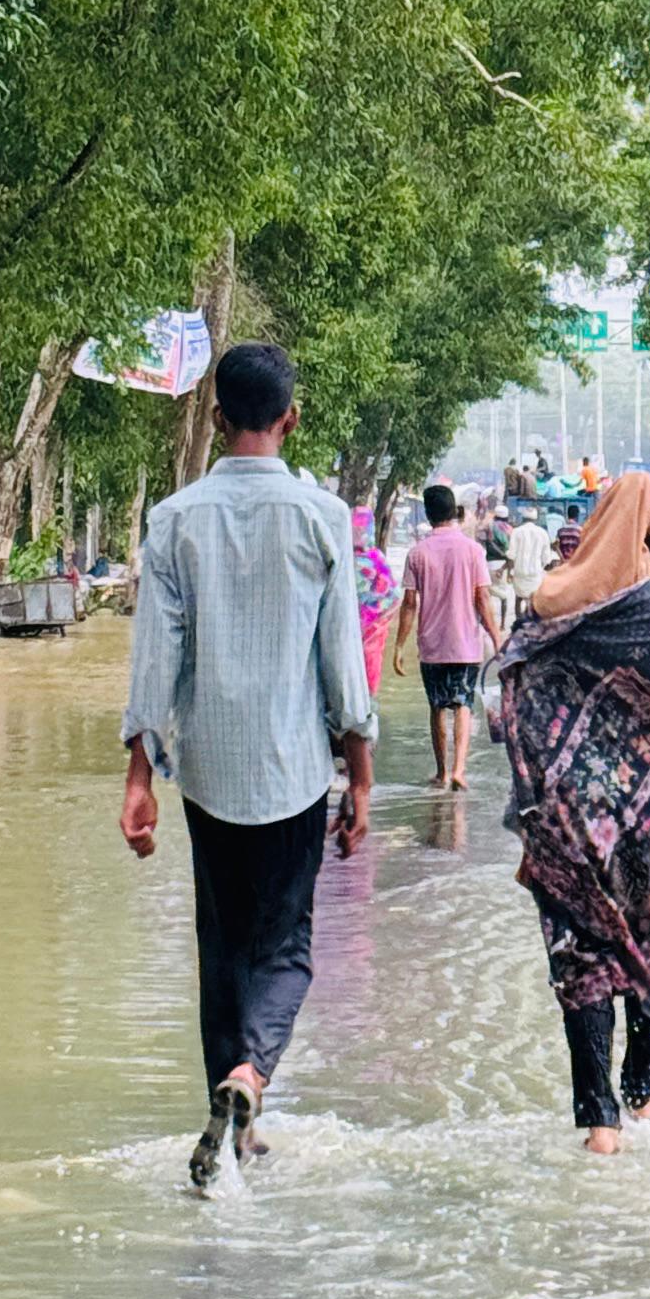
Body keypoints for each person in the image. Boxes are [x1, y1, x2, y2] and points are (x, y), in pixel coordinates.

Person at [121, 342, 376, 1193]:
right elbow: (343, 663)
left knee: (222, 942)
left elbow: (157, 661)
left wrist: (138, 776)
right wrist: (361, 773)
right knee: (287, 945)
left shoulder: (173, 520)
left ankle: (232, 1122)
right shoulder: (322, 518)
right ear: (291, 418)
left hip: (209, 772)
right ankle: (251, 1078)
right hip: (295, 768)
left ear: (217, 418)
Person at [495, 469, 650, 1156]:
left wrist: (537, 778)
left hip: (566, 823)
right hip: (648, 826)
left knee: (581, 962)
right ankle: (647, 1100)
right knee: (646, 951)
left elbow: (511, 688)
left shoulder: (551, 609)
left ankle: (600, 1123)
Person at [393, 477, 496, 790]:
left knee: (437, 707)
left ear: (428, 514)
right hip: (467, 644)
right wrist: (497, 637)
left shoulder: (417, 553)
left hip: (433, 646)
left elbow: (409, 604)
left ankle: (441, 772)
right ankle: (459, 770)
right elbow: (483, 599)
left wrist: (399, 646)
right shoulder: (474, 551)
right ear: (455, 511)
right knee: (463, 704)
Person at [351, 504, 397, 694]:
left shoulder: (340, 557)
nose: (358, 531)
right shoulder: (377, 559)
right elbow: (393, 598)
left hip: (349, 630)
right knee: (366, 686)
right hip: (371, 632)